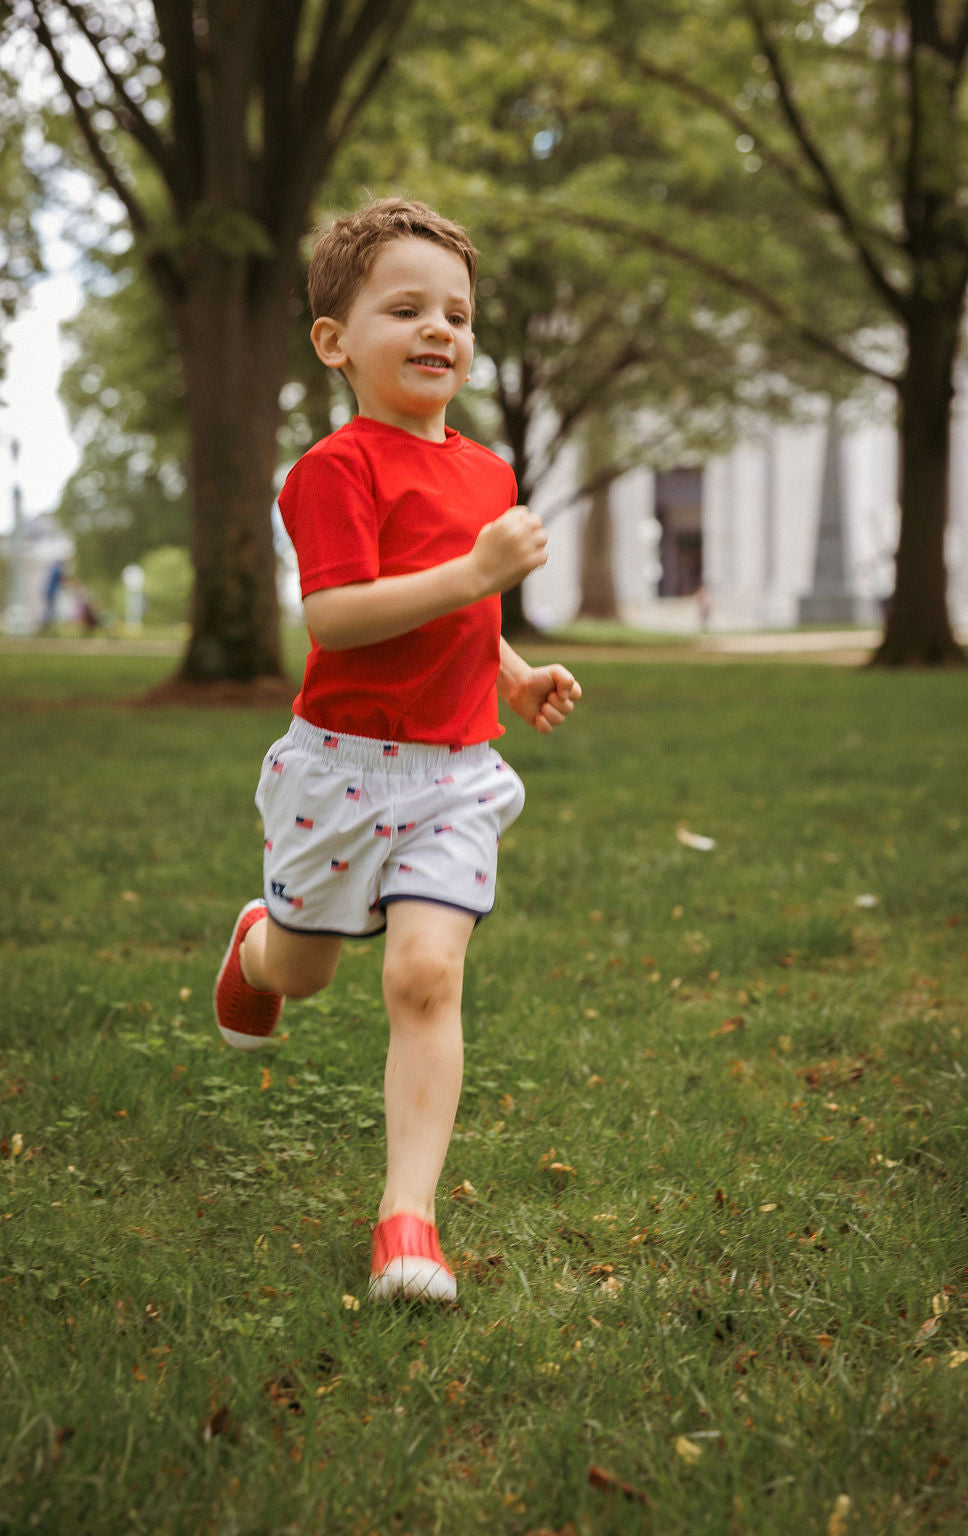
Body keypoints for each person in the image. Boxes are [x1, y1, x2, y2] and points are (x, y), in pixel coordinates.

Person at [214, 198, 582, 1304]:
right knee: (310, 969)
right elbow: (338, 618)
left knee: (425, 976)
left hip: (455, 773)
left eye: (458, 314)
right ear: (336, 343)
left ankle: (406, 1223)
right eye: (407, 308)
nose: (441, 331)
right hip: (341, 771)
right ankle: (257, 947)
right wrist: (476, 574)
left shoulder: (482, 473)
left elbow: (456, 614)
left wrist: (509, 670)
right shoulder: (331, 472)